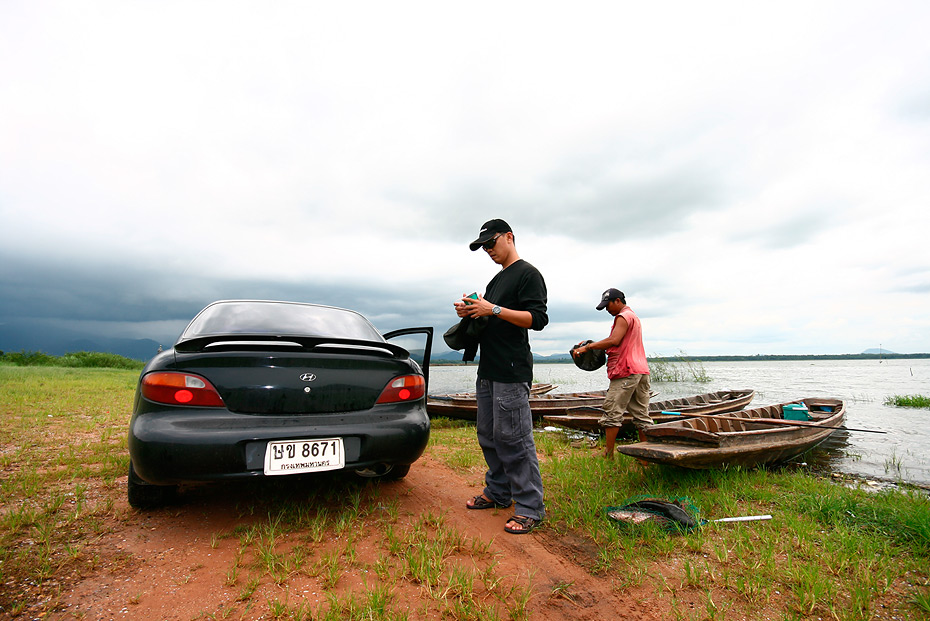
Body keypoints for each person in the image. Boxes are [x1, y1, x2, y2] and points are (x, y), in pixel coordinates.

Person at [454, 219, 548, 535]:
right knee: (489, 435)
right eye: (484, 248)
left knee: (514, 438)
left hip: (511, 369)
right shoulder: (496, 280)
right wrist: (472, 310)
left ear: (509, 237)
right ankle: (498, 491)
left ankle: (530, 506)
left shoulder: (528, 274)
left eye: (492, 243)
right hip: (489, 369)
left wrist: (491, 309)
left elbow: (537, 319)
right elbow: (490, 313)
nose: (489, 250)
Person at [572, 288, 652, 458]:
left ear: (617, 301)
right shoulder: (634, 317)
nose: (607, 309)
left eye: (607, 305)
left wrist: (588, 347)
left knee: (612, 413)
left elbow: (614, 340)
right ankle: (646, 456)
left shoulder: (622, 317)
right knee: (642, 415)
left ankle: (608, 454)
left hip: (626, 371)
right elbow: (619, 341)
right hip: (641, 370)